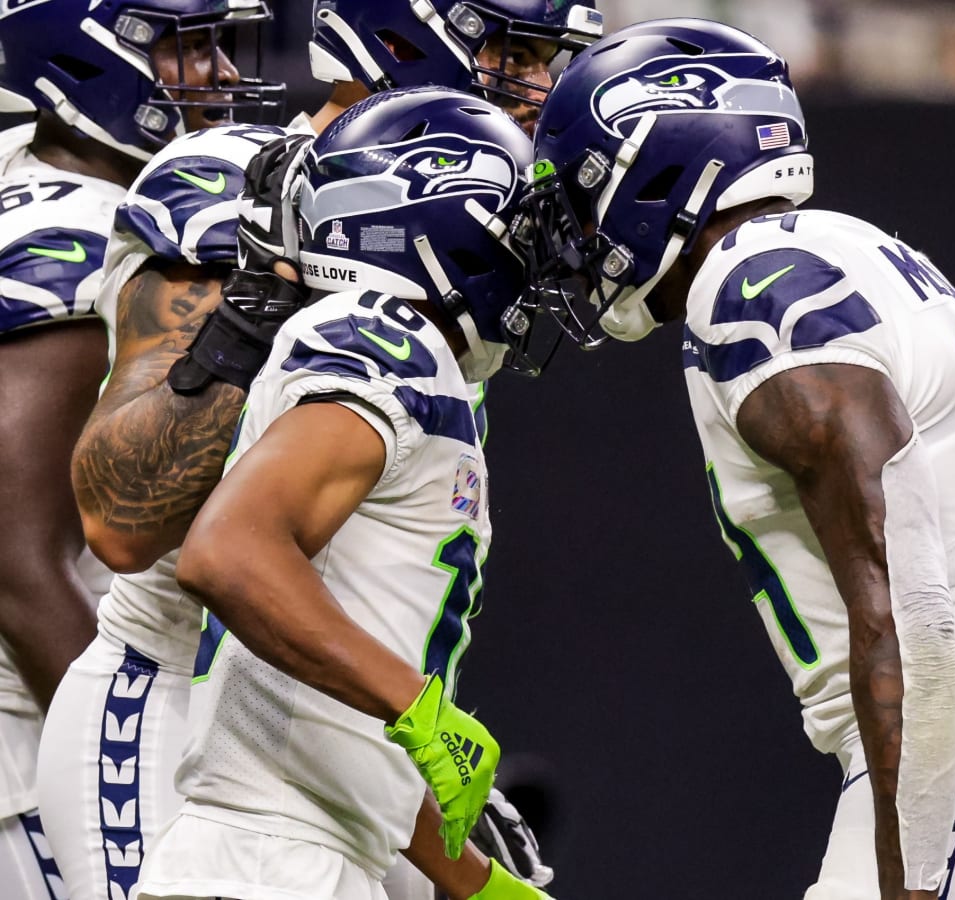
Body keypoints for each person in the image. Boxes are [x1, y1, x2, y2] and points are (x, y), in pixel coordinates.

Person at [518, 17, 955, 900]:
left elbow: (907, 595)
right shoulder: (836, 249)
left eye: (586, 192)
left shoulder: (752, 286)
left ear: (656, 166)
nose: (576, 231)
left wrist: (910, 868)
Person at [41, 1, 599, 897]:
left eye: (552, 59)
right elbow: (120, 519)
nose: (542, 87)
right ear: (403, 34)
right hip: (175, 706)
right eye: (517, 50)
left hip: (330, 722)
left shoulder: (460, 228)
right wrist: (252, 307)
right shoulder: (229, 185)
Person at [132, 85, 544, 900]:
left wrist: (483, 887)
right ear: (437, 219)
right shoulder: (380, 334)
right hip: (264, 866)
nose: (530, 254)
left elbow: (332, 714)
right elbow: (229, 552)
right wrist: (420, 710)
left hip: (287, 861)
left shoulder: (391, 347)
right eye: (514, 223)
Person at [0, 1, 280, 895]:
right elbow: (16, 559)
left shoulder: (22, 171)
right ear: (78, 57)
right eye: (187, 46)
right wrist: (114, 759)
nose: (222, 76)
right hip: (28, 746)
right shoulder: (81, 236)